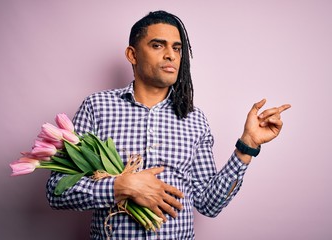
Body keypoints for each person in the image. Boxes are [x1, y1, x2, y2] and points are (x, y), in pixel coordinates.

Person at [46, 10, 291, 239]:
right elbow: (57, 190)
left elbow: (209, 203)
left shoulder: (194, 119)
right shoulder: (97, 107)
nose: (170, 55)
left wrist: (247, 145)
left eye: (177, 48)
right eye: (157, 45)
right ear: (132, 54)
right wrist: (121, 186)